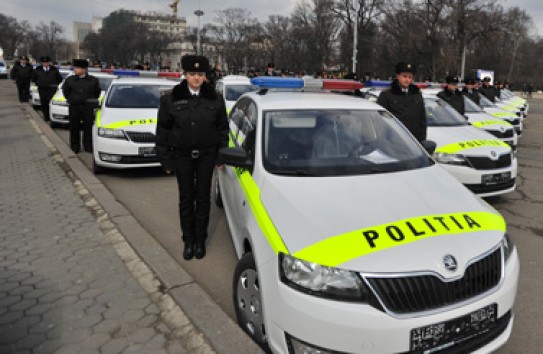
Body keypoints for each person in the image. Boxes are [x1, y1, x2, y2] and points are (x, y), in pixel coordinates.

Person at [156, 55, 229, 261]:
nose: (196, 78)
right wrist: (165, 159)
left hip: (207, 155)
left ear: (205, 76)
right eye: (192, 74)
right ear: (185, 75)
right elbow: (163, 131)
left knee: (203, 198)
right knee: (186, 199)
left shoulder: (215, 98)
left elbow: (223, 129)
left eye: (200, 74)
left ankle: (200, 240)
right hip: (182, 156)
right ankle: (188, 240)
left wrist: (221, 155)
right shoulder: (170, 99)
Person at [376, 61, 426, 141]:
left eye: (410, 77)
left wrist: (422, 140)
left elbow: (422, 120)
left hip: (414, 141)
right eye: (404, 76)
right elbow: (380, 120)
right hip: (394, 140)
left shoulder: (416, 94)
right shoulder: (387, 94)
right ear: (398, 76)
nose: (407, 80)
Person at [62, 59, 100, 154]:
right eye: (75, 67)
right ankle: (75, 146)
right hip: (74, 107)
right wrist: (72, 99)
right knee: (74, 127)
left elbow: (96, 93)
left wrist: (88, 100)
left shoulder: (93, 80)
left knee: (88, 127)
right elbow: (66, 92)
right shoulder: (70, 80)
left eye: (77, 68)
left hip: (87, 107)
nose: (75, 69)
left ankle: (88, 145)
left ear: (84, 69)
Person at [32, 56, 62, 121]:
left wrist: (55, 84)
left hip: (51, 89)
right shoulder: (38, 70)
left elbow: (59, 79)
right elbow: (34, 78)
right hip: (42, 88)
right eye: (44, 62)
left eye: (47, 62)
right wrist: (38, 83)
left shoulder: (54, 70)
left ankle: (50, 116)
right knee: (44, 102)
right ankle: (46, 116)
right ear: (42, 63)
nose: (45, 64)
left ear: (49, 63)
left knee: (50, 102)